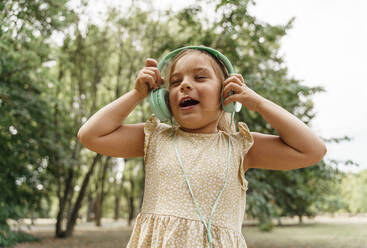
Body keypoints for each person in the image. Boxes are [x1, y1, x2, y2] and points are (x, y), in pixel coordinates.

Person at [77, 47, 327, 247]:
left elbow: (312, 150)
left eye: (199, 77)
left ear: (226, 95)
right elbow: (90, 135)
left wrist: (258, 102)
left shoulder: (240, 147)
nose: (184, 85)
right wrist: (135, 95)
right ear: (163, 101)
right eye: (175, 82)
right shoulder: (155, 138)